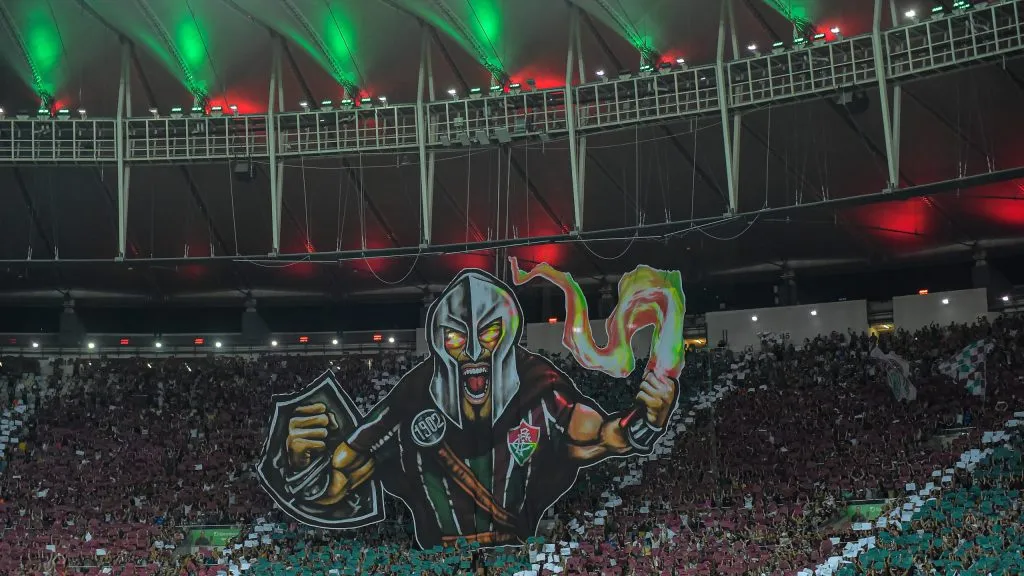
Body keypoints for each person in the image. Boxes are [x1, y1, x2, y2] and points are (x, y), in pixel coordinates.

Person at [270, 269, 678, 548]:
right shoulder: (410, 400)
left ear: (508, 332)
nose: (472, 350)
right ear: (438, 338)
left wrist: (645, 420)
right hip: (437, 559)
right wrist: (301, 462)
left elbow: (603, 436)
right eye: (456, 338)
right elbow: (340, 475)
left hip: (512, 555)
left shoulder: (539, 390)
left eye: (488, 333)